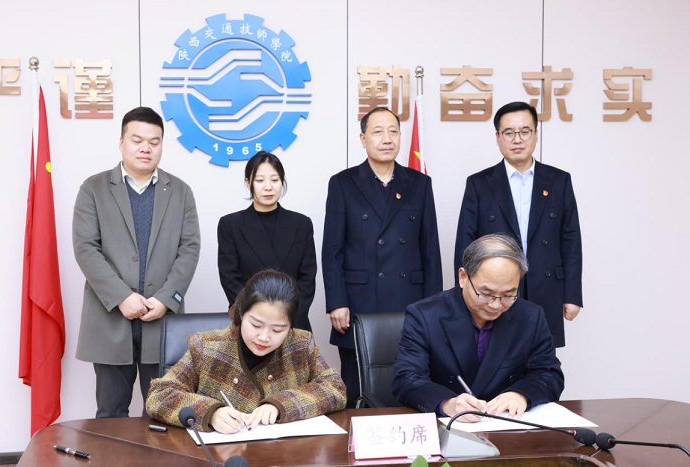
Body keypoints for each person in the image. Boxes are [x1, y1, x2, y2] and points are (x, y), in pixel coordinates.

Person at [73, 107, 201, 418]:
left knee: (163, 415)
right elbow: (86, 248)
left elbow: (189, 249)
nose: (146, 148)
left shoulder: (180, 191)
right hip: (109, 320)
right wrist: (121, 297)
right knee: (110, 415)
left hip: (162, 321)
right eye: (137, 140)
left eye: (154, 142)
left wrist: (166, 299)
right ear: (121, 143)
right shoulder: (94, 188)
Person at [322, 106, 443, 407]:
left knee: (411, 385)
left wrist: (433, 307)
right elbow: (332, 250)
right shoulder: (343, 183)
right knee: (357, 391)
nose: (386, 138)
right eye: (378, 132)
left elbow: (430, 251)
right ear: (363, 139)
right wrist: (337, 301)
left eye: (393, 131)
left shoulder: (419, 183)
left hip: (409, 302)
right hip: (358, 302)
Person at [146, 270, 346, 433]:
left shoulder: (300, 346)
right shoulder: (206, 348)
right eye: (256, 325)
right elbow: (159, 395)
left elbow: (335, 388)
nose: (264, 337)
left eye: (278, 330)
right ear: (241, 312)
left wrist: (281, 404)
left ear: (290, 326)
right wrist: (211, 413)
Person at [393, 233, 564, 421]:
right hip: (447, 426)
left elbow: (549, 375)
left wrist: (521, 394)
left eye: (508, 295)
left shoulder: (531, 316)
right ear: (463, 277)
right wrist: (448, 403)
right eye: (486, 294)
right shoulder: (424, 315)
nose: (496, 305)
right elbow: (407, 378)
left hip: (506, 425)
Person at [454, 101, 582, 348]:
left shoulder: (558, 181)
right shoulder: (479, 184)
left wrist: (572, 294)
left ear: (535, 135)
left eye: (524, 131)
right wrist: (465, 295)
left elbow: (571, 240)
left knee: (541, 359)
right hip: (495, 292)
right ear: (498, 137)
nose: (517, 139)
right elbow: (465, 242)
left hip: (546, 287)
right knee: (493, 355)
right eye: (509, 133)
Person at [217, 151, 317, 332]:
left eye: (275, 180)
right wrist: (256, 317)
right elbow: (229, 279)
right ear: (248, 183)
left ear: (282, 182)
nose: (268, 187)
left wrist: (289, 317)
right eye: (260, 180)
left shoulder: (301, 224)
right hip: (251, 325)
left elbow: (308, 278)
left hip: (294, 323)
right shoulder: (230, 224)